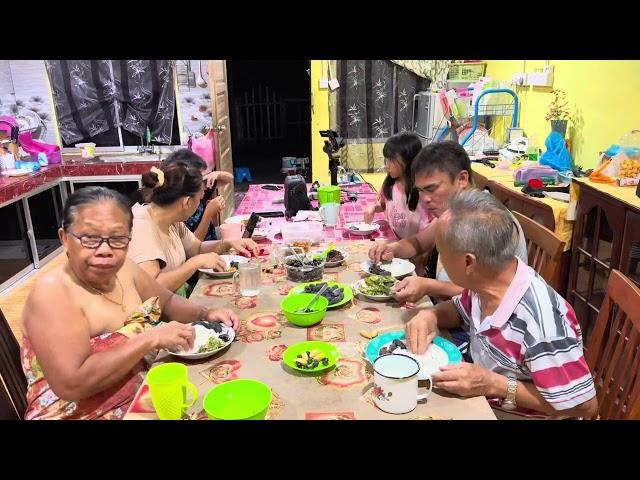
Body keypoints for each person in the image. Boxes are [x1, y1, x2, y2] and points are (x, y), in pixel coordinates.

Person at [20, 186, 239, 420]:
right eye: (90, 238)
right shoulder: (53, 294)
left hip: (140, 393)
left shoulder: (125, 269)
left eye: (117, 239)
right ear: (65, 239)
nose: (105, 250)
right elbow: (73, 384)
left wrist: (206, 313)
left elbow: (167, 302)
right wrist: (150, 338)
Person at [405, 189, 597, 418]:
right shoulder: (488, 280)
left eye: (443, 254)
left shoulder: (543, 325)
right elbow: (459, 310)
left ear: (468, 262)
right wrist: (431, 315)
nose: (441, 261)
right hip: (482, 398)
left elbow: (585, 407)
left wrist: (494, 384)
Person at [369, 141, 528, 304]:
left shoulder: (488, 220)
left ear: (462, 179)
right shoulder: (455, 213)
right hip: (450, 310)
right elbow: (418, 242)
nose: (424, 199)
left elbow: (482, 295)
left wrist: (429, 286)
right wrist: (392, 248)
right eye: (420, 191)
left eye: (431, 189)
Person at [128, 160, 258, 294]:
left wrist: (228, 243)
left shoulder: (172, 220)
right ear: (187, 202)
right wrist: (195, 263)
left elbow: (197, 248)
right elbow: (150, 289)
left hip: (176, 303)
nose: (200, 203)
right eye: (199, 199)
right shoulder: (141, 226)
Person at [363, 132, 435, 239]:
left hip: (418, 250)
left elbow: (434, 224)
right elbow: (383, 205)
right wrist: (373, 208)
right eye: (386, 159)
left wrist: (423, 251)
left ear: (408, 160)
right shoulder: (390, 184)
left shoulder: (423, 190)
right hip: (395, 245)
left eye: (391, 160)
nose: (386, 166)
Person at [162, 149, 234, 241]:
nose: (205, 186)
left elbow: (229, 178)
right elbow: (193, 246)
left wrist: (215, 174)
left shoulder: (201, 188)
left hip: (210, 243)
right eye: (201, 179)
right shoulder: (178, 214)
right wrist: (209, 213)